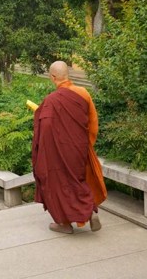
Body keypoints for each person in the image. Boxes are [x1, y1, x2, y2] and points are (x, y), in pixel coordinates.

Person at [32, 61, 107, 234]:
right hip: (78, 149)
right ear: (68, 74)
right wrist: (84, 145)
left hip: (56, 153)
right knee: (78, 181)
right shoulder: (83, 93)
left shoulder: (50, 101)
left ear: (52, 77)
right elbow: (93, 123)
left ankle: (64, 224)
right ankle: (90, 212)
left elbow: (45, 131)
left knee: (58, 184)